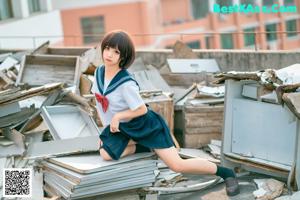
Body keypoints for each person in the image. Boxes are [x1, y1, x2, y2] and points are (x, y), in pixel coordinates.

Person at [91, 30, 240, 196]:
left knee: (177, 165)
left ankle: (227, 173)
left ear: (123, 57)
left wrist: (118, 117)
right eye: (108, 49)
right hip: (123, 128)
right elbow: (99, 103)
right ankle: (144, 147)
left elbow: (141, 109)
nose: (109, 54)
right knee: (105, 153)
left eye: (116, 51)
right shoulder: (99, 73)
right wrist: (104, 129)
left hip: (144, 125)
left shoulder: (126, 83)